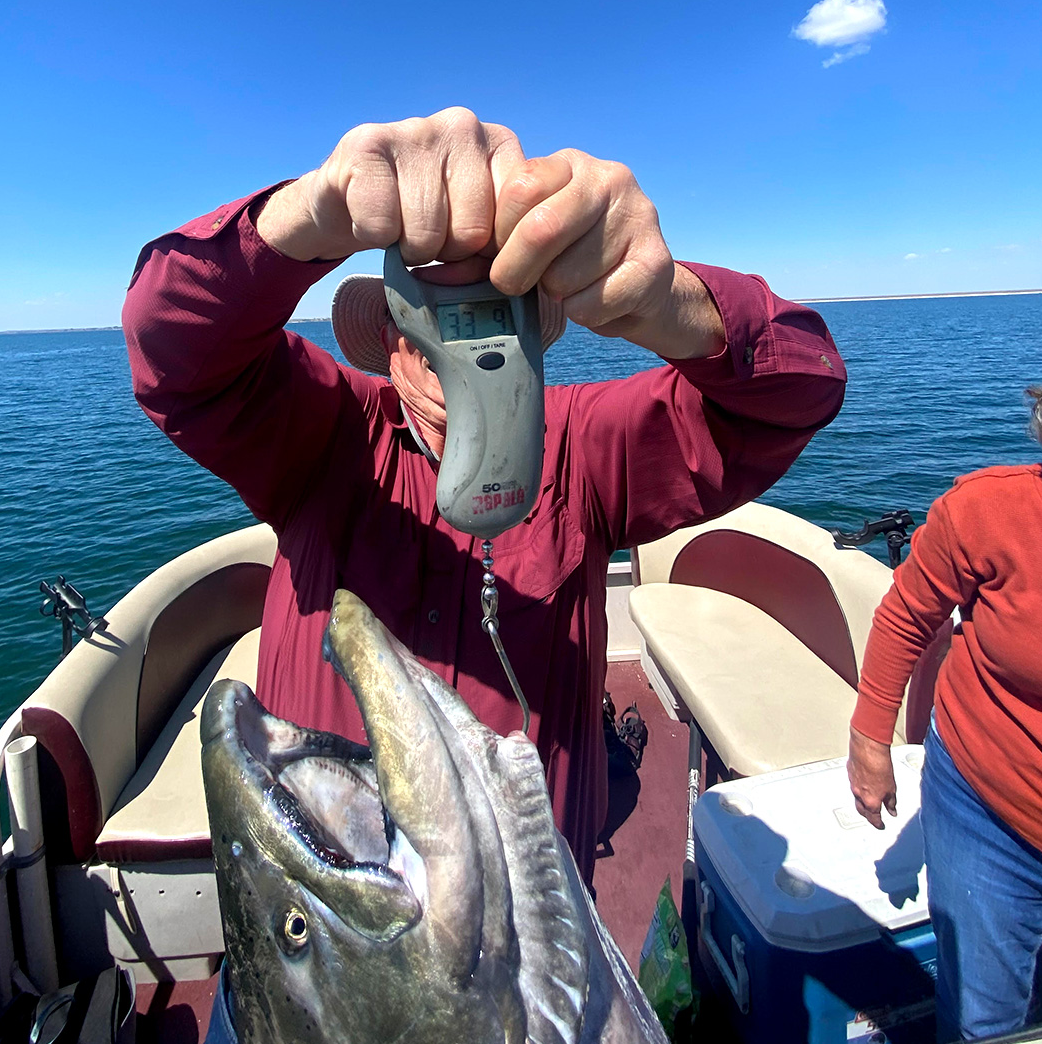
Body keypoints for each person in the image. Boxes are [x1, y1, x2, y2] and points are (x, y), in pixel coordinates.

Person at [123, 106, 846, 886]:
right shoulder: (322, 431)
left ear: (530, 335)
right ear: (395, 336)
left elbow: (795, 393)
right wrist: (311, 215)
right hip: (324, 912)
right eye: (430, 320)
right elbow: (173, 349)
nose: (457, 347)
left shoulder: (585, 445)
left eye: (489, 317)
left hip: (527, 926)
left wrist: (676, 305)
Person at [848, 382, 1042, 1041]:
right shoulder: (988, 507)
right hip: (989, 807)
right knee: (982, 1021)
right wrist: (869, 742)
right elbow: (906, 616)